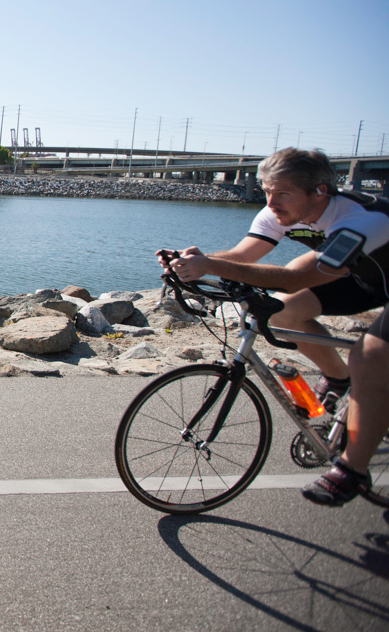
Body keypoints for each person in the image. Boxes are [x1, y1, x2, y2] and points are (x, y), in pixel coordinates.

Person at [159, 147, 389, 506]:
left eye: (281, 192)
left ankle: (351, 471)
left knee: (370, 357)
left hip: (371, 272)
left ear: (320, 192)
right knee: (282, 313)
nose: (271, 201)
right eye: (267, 190)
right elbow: (242, 256)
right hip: (365, 275)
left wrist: (211, 267)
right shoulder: (280, 211)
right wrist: (192, 261)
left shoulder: (361, 221)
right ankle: (341, 382)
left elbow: (297, 278)